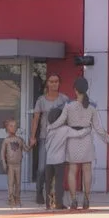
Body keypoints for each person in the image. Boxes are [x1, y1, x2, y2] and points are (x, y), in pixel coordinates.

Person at [55, 78, 109, 211]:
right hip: (87, 140)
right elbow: (99, 128)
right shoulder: (92, 106)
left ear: (75, 90)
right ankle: (87, 200)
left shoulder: (68, 105)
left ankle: (74, 200)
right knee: (87, 171)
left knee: (72, 171)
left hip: (72, 139)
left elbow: (60, 122)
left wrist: (51, 129)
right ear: (86, 89)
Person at [32, 76, 68, 210]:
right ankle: (38, 191)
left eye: (56, 81)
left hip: (59, 139)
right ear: (47, 83)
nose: (54, 84)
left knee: (56, 170)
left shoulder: (64, 99)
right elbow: (36, 118)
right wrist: (32, 136)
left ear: (59, 83)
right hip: (44, 137)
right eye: (51, 81)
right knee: (42, 168)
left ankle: (54, 197)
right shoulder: (41, 100)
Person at [0, 120, 26, 206]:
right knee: (10, 183)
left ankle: (17, 198)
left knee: (18, 183)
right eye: (11, 126)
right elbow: (2, 154)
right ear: (7, 128)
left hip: (18, 165)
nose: (13, 128)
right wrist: (4, 163)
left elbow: (26, 149)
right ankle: (11, 198)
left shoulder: (20, 140)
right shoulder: (6, 141)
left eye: (15, 126)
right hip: (10, 165)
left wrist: (32, 144)